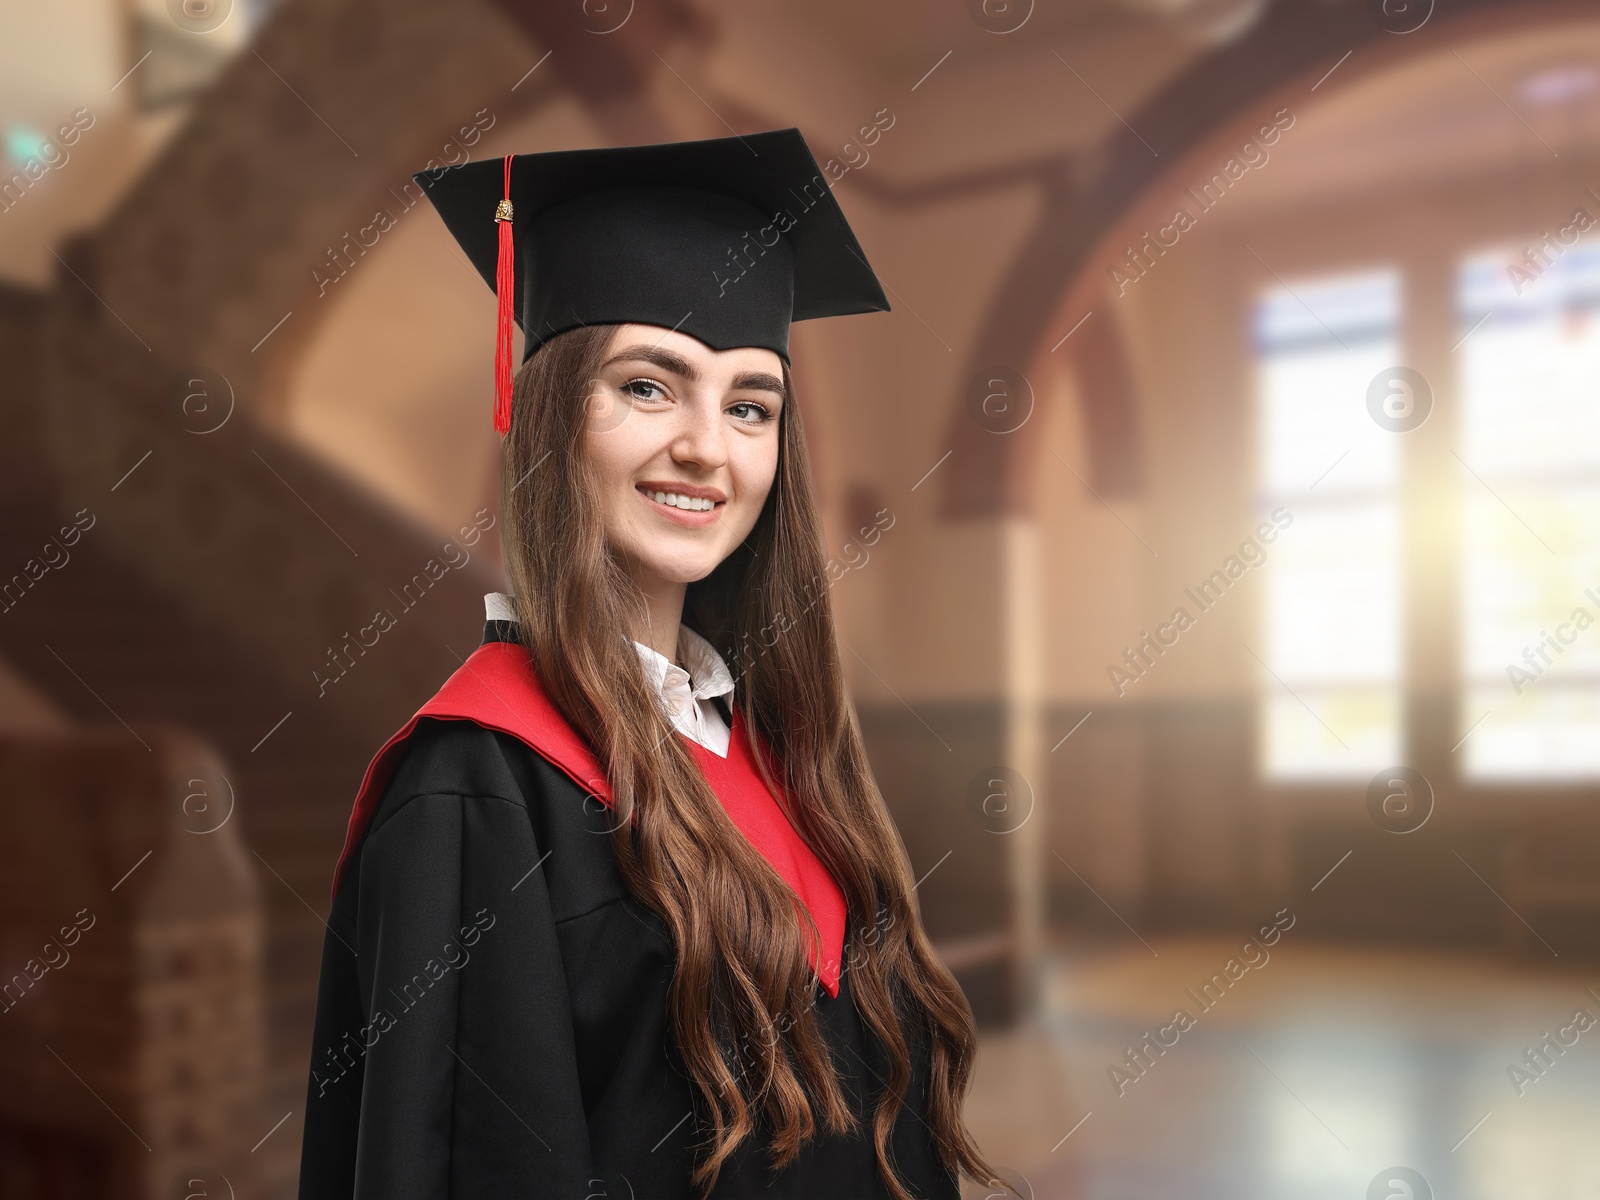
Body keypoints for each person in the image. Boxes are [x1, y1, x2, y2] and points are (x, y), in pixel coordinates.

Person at [297, 128, 1007, 1199]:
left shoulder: (784, 755)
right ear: (547, 415)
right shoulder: (476, 793)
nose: (707, 449)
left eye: (750, 406)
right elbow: (460, 1162)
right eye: (646, 387)